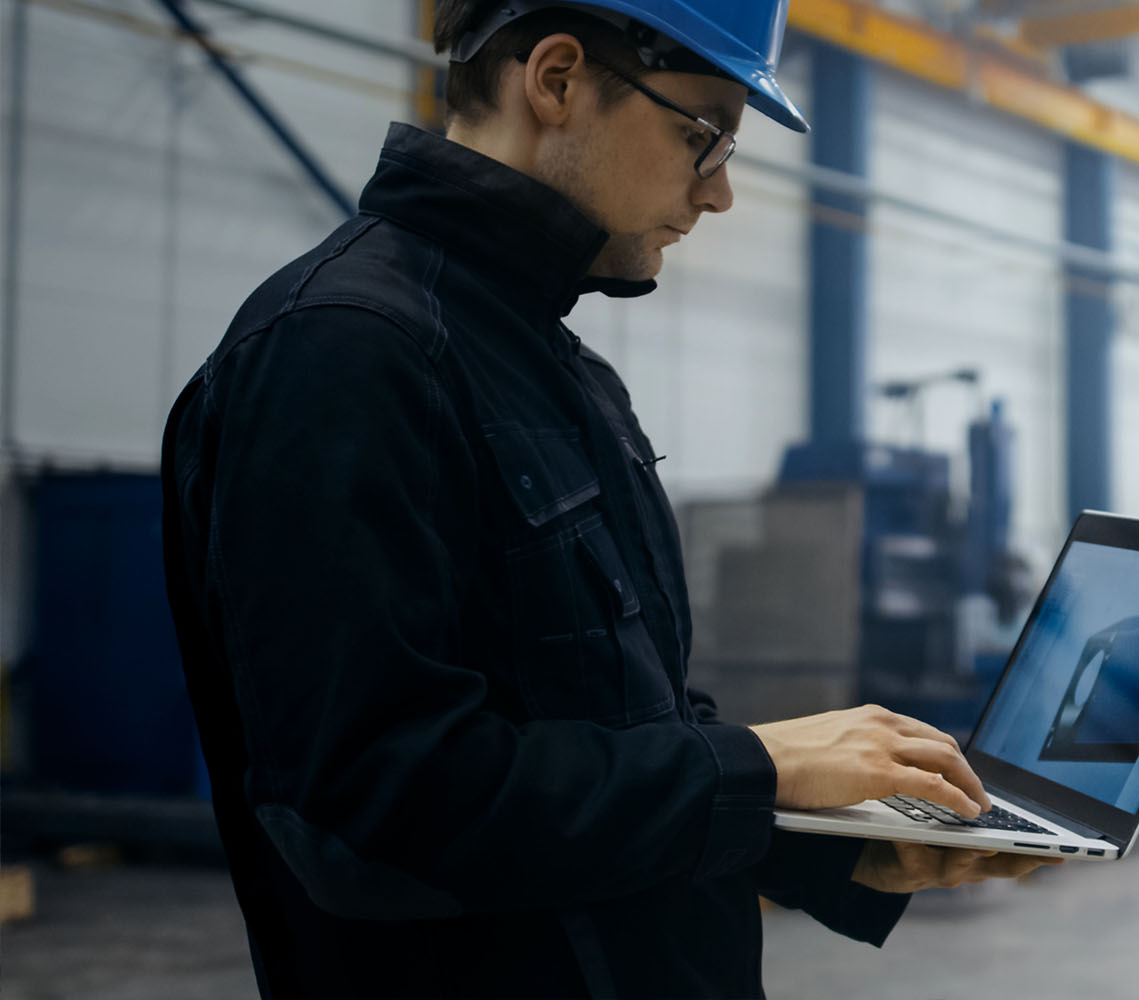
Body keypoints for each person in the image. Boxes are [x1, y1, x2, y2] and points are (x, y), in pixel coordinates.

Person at [160, 1, 1059, 996]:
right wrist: (760, 767)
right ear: (556, 79)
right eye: (702, 135)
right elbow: (376, 803)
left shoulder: (563, 372)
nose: (717, 194)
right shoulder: (342, 353)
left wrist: (832, 845)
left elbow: (626, 728)